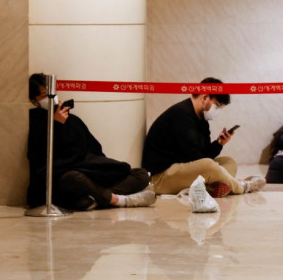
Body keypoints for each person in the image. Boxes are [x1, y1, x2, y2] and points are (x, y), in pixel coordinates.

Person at [27, 73, 156, 210]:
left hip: (89, 174)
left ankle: (96, 198)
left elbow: (94, 150)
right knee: (72, 177)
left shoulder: (73, 120)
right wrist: (56, 125)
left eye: (51, 94)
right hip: (63, 177)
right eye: (44, 96)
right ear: (34, 100)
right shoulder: (35, 121)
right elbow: (42, 159)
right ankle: (118, 200)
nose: (51, 99)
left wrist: (99, 170)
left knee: (141, 175)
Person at [143, 77, 266, 198]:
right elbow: (192, 157)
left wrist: (219, 143)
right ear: (205, 97)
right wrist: (212, 168)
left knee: (229, 162)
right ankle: (242, 187)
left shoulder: (202, 120)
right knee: (209, 166)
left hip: (182, 168)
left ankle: (211, 187)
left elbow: (204, 155)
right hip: (161, 177)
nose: (217, 111)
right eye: (217, 106)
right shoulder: (181, 115)